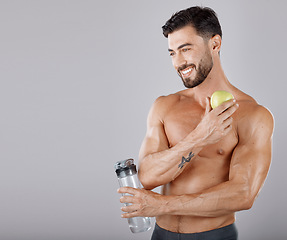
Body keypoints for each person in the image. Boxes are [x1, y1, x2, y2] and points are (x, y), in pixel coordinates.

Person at [118, 6, 274, 240]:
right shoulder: (165, 106)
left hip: (214, 235)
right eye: (172, 53)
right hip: (162, 235)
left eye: (185, 49)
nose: (179, 62)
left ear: (215, 44)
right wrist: (200, 137)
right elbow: (148, 177)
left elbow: (243, 194)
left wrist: (162, 206)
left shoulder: (253, 115)